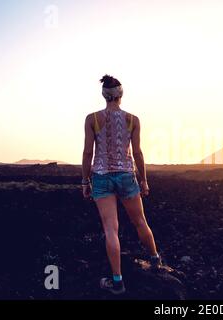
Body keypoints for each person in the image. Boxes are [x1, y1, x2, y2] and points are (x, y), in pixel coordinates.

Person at [81, 74, 162, 295]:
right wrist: (144, 179)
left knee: (111, 230)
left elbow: (88, 152)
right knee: (140, 222)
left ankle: (117, 282)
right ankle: (155, 261)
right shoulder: (133, 120)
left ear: (104, 96)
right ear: (121, 94)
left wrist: (84, 181)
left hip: (101, 177)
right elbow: (137, 153)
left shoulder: (92, 119)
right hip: (127, 176)